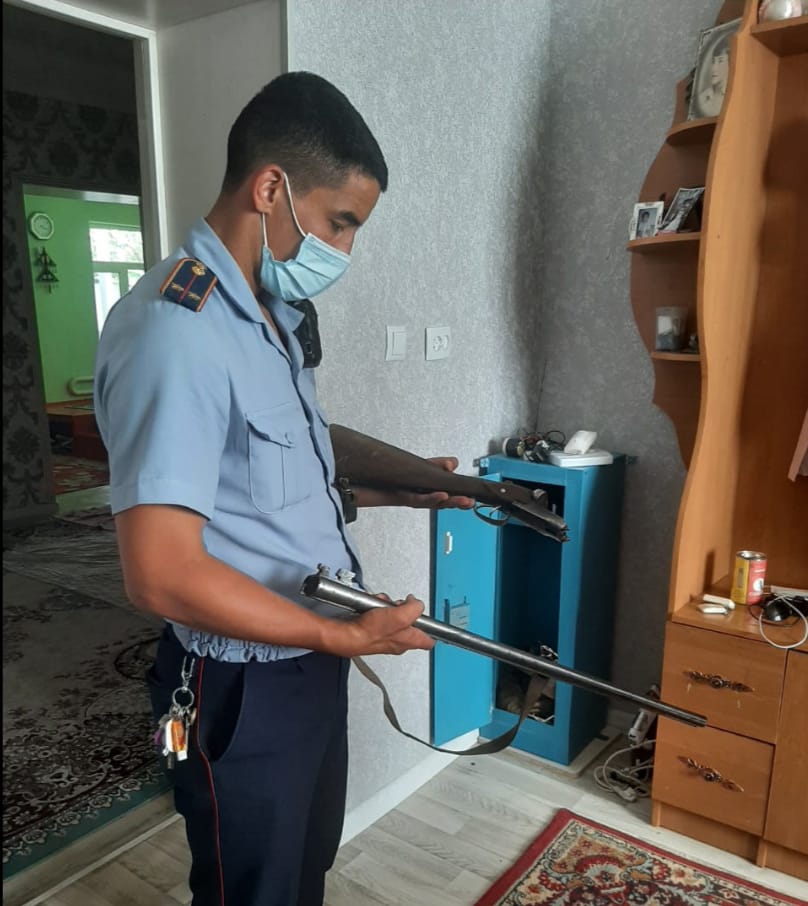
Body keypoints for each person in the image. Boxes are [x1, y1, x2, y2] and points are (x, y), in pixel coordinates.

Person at [94, 71, 474, 906]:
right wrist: (337, 636)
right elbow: (159, 574)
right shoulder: (176, 333)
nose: (344, 250)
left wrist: (407, 494)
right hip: (242, 684)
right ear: (271, 189)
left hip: (307, 660)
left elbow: (273, 494)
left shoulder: (269, 318)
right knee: (252, 890)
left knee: (302, 873)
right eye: (340, 222)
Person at [696, 36, 730, 118]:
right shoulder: (702, 98)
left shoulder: (737, 96)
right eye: (713, 61)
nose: (714, 68)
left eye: (720, 61)